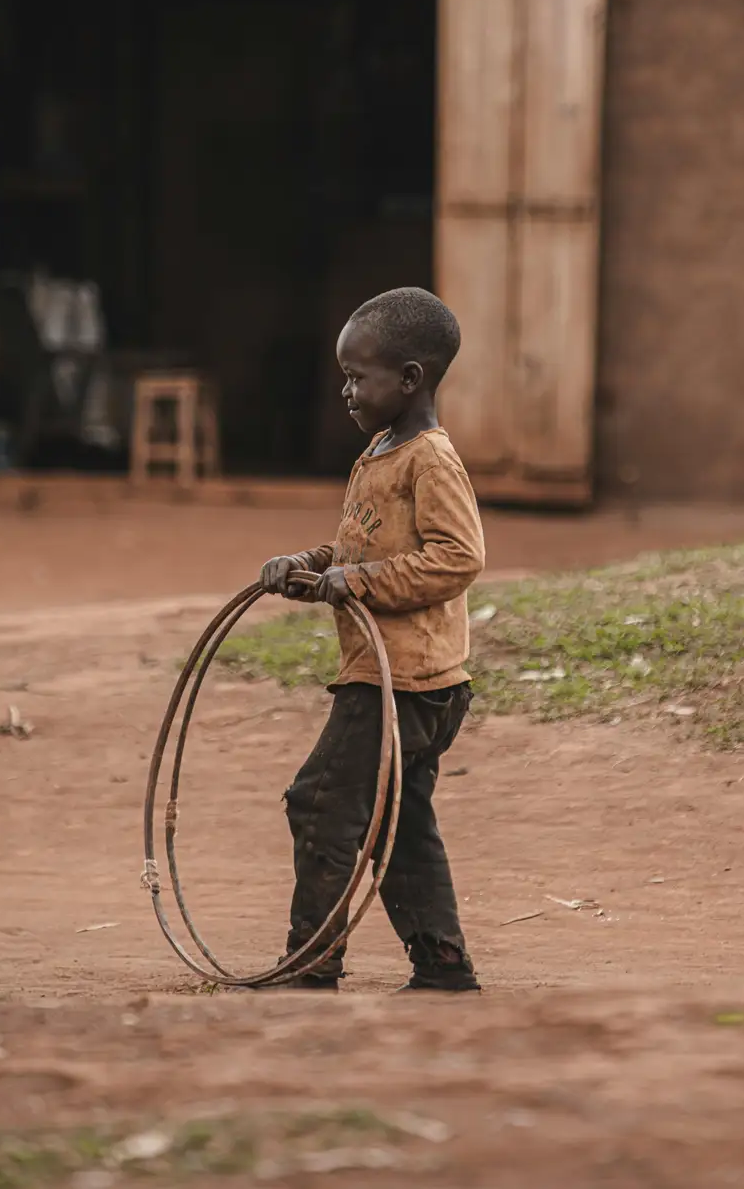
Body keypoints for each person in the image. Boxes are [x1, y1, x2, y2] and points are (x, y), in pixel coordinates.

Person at [260, 286, 486, 992]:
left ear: (411, 379)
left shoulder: (430, 459)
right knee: (401, 818)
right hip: (402, 678)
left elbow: (458, 556)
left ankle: (313, 959)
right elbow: (360, 541)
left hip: (403, 682)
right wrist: (310, 564)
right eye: (346, 376)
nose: (346, 390)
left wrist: (354, 583)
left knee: (321, 803)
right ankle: (442, 962)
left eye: (360, 377)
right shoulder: (380, 451)